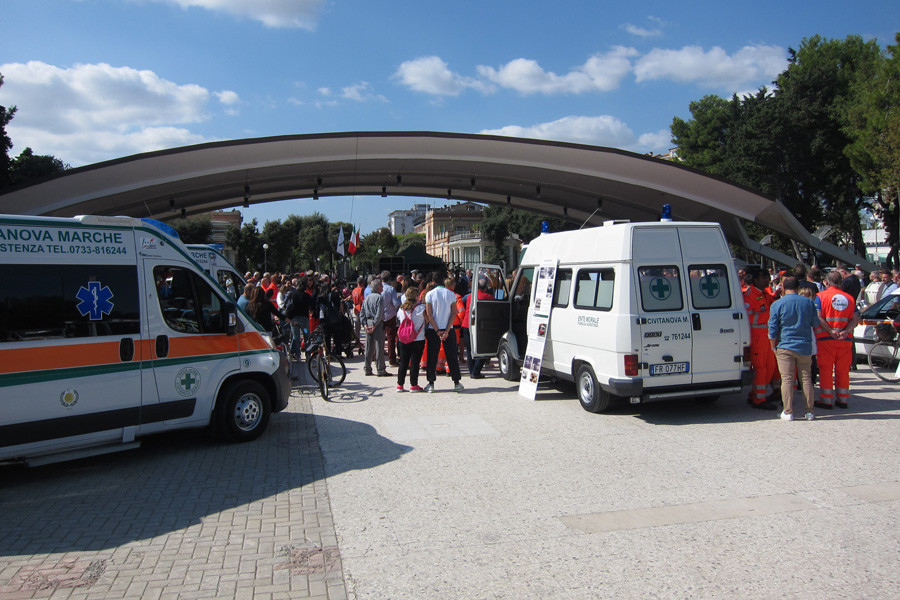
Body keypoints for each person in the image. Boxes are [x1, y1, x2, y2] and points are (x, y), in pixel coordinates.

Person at [768, 277, 820, 421]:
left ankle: (788, 411)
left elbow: (772, 328)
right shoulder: (809, 302)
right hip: (804, 345)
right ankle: (809, 411)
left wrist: (773, 346)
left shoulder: (777, 304)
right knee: (806, 379)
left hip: (785, 346)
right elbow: (815, 323)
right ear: (798, 287)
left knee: (787, 379)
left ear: (783, 288)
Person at [814, 270, 860, 410]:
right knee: (843, 370)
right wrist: (846, 331)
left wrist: (830, 330)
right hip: (845, 340)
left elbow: (818, 316)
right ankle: (842, 399)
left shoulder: (820, 297)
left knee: (826, 370)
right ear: (841, 282)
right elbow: (856, 318)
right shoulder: (849, 298)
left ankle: (826, 400)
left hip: (825, 338)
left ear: (826, 282)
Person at [744, 267, 779, 410]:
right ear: (756, 280)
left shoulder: (764, 293)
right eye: (764, 278)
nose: (768, 280)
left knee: (770, 367)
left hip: (767, 335)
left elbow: (770, 304)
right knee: (761, 368)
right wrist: (768, 315)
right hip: (757, 336)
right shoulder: (750, 295)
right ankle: (759, 399)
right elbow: (750, 316)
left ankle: (756, 394)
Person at [424, 274, 464, 392]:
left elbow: (429, 314)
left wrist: (437, 331)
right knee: (452, 356)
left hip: (433, 330)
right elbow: (453, 313)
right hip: (449, 329)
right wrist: (446, 330)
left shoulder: (429, 294)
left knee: (432, 357)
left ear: (433, 281)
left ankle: (431, 383)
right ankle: (456, 382)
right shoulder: (451, 294)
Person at [396, 287, 427, 392]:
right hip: (418, 338)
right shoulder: (421, 308)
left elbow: (400, 320)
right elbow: (427, 320)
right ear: (416, 296)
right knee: (415, 362)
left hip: (403, 338)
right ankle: (414, 385)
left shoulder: (401, 309)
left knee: (403, 362)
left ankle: (400, 384)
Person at [463, 277, 494, 379]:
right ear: (485, 287)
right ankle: (476, 371)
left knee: (469, 349)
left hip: (466, 324)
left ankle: (472, 371)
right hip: (479, 326)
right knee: (484, 349)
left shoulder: (469, 296)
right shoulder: (488, 297)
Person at [361, 278, 389, 376]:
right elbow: (379, 313)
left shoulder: (367, 298)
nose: (382, 287)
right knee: (379, 347)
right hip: (376, 324)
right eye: (381, 286)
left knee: (368, 347)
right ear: (378, 288)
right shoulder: (379, 298)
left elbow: (362, 312)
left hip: (368, 323)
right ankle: (380, 369)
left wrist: (364, 324)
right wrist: (375, 324)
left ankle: (367, 368)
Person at [380, 271, 402, 366]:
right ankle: (392, 359)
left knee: (379, 338)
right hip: (390, 315)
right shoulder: (391, 289)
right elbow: (396, 303)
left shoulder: (378, 288)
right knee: (391, 338)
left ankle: (377, 356)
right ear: (390, 279)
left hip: (379, 316)